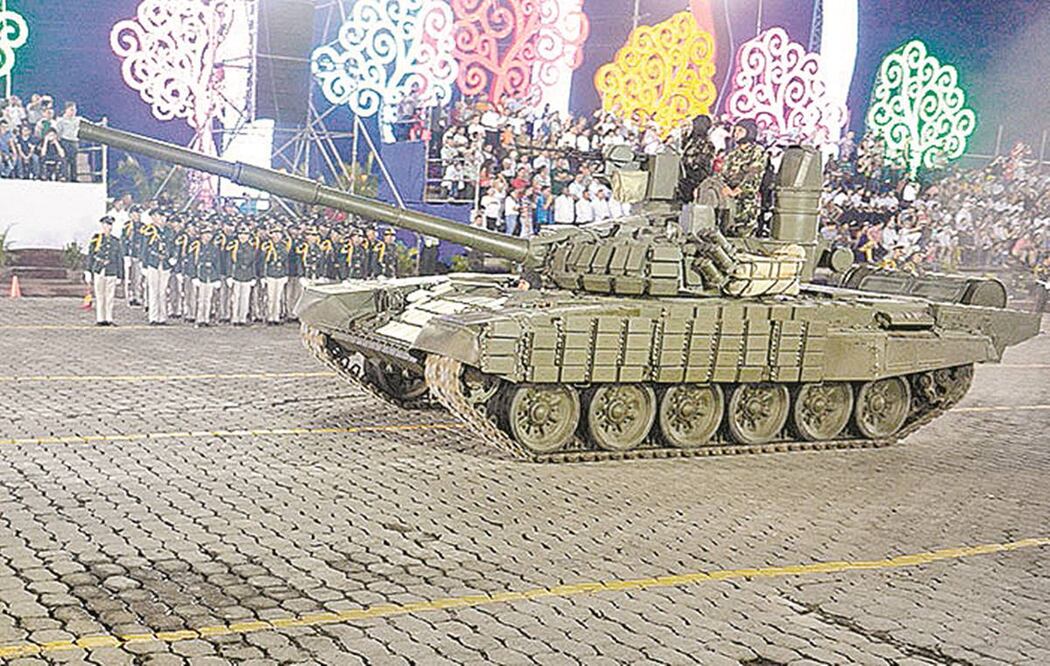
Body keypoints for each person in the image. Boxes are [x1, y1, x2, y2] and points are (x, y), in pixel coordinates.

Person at [721, 120, 768, 237]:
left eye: (740, 130)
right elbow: (723, 175)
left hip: (746, 204)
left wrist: (735, 192)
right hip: (729, 204)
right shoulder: (733, 154)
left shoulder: (757, 152)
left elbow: (753, 177)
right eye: (735, 130)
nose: (736, 133)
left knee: (742, 239)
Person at [85, 216, 124, 326]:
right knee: (100, 295)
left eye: (110, 225)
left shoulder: (115, 241)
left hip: (111, 270)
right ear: (102, 225)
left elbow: (119, 259)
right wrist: (88, 270)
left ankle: (109, 318)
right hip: (99, 269)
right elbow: (91, 255)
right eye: (106, 224)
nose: (108, 227)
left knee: (110, 296)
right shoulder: (96, 238)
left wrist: (120, 275)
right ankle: (100, 319)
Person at [228, 227, 257, 326]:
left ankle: (242, 318)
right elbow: (229, 261)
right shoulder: (234, 246)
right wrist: (229, 275)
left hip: (247, 275)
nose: (243, 237)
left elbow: (253, 263)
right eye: (241, 234)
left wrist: (253, 276)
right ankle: (235, 318)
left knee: (245, 298)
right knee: (236, 298)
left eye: (245, 235)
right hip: (236, 274)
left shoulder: (251, 247)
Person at [260, 226, 289, 324]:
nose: (277, 236)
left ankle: (276, 316)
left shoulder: (284, 246)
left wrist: (286, 274)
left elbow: (286, 261)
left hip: (280, 274)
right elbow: (262, 261)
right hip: (270, 273)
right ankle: (269, 317)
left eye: (279, 234)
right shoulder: (267, 245)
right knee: (271, 297)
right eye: (274, 233)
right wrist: (263, 276)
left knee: (278, 298)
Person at [194, 227, 222, 327]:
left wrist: (217, 278)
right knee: (201, 299)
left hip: (210, 275)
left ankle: (206, 319)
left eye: (209, 234)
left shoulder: (214, 248)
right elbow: (193, 262)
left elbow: (217, 263)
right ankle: (199, 319)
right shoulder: (197, 246)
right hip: (200, 274)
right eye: (206, 234)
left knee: (208, 299)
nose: (208, 236)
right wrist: (194, 276)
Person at [54, 102, 79, 182]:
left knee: (73, 160)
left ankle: (74, 177)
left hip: (74, 141)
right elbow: (57, 131)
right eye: (71, 110)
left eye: (74, 110)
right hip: (65, 140)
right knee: (64, 159)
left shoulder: (78, 120)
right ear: (66, 110)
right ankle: (64, 176)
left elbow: (89, 124)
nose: (73, 112)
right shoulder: (61, 120)